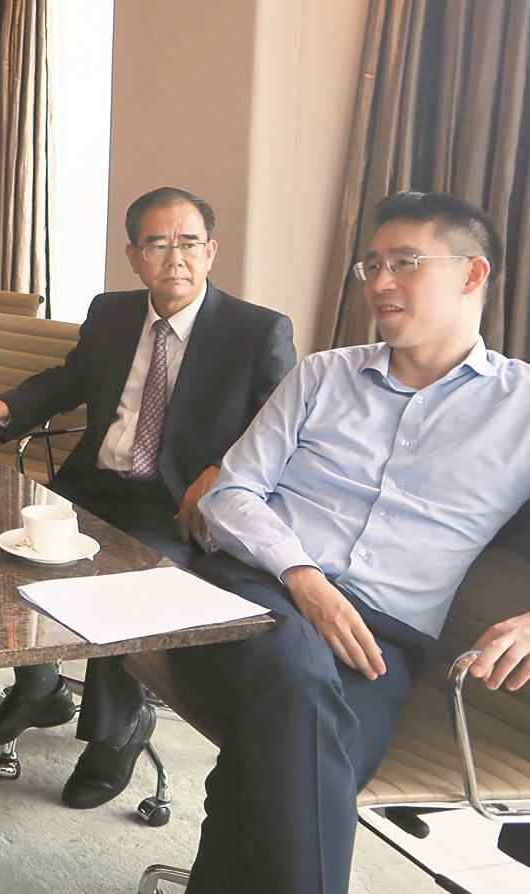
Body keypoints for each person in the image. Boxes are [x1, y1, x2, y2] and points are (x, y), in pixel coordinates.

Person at [169, 190, 530, 894]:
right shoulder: (322, 375)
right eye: (372, 264)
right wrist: (305, 580)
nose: (378, 282)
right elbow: (230, 494)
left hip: (379, 646)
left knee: (279, 772)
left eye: (405, 262)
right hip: (252, 596)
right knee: (297, 684)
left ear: (472, 273)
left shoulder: (520, 408)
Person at [0, 186, 295, 809]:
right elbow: (70, 380)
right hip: (93, 484)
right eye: (157, 244)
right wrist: (2, 406)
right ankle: (39, 688)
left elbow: (281, 429)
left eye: (189, 243)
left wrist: (223, 470)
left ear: (211, 251)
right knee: (1, 545)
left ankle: (117, 730)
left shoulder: (256, 331)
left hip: (173, 503)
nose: (175, 258)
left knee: (119, 587)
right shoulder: (111, 312)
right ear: (134, 255)